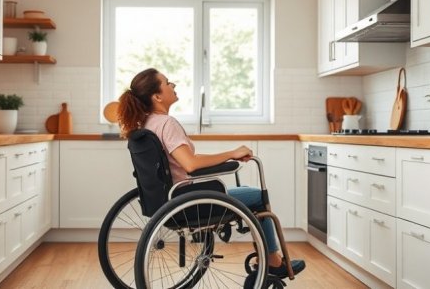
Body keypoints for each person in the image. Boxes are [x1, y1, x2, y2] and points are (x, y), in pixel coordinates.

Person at [117, 67, 304, 278]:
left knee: (241, 190)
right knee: (257, 196)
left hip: (167, 201)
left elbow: (186, 162)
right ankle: (273, 262)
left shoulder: (147, 124)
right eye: (167, 82)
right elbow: (190, 165)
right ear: (157, 96)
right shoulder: (167, 123)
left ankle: (268, 258)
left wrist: (227, 156)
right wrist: (232, 153)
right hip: (189, 202)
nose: (173, 85)